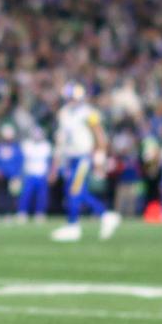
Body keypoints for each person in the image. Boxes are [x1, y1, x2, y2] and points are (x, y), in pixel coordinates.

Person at [51, 82, 114, 242]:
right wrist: (56, 164)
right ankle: (105, 215)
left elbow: (100, 136)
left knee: (75, 190)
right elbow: (61, 139)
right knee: (75, 191)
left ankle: (74, 225)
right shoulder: (64, 113)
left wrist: (100, 158)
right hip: (70, 157)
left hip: (83, 157)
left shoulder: (88, 112)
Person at [0, 122, 24, 223]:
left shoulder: (16, 148)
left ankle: (8, 214)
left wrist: (17, 175)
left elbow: (19, 162)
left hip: (12, 175)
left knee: (11, 196)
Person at [17, 124, 53, 221]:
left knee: (42, 196)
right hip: (29, 174)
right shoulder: (27, 145)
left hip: (42, 174)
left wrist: (50, 173)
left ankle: (40, 213)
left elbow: (50, 161)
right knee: (26, 195)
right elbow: (22, 160)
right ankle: (22, 212)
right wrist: (20, 175)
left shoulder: (46, 146)